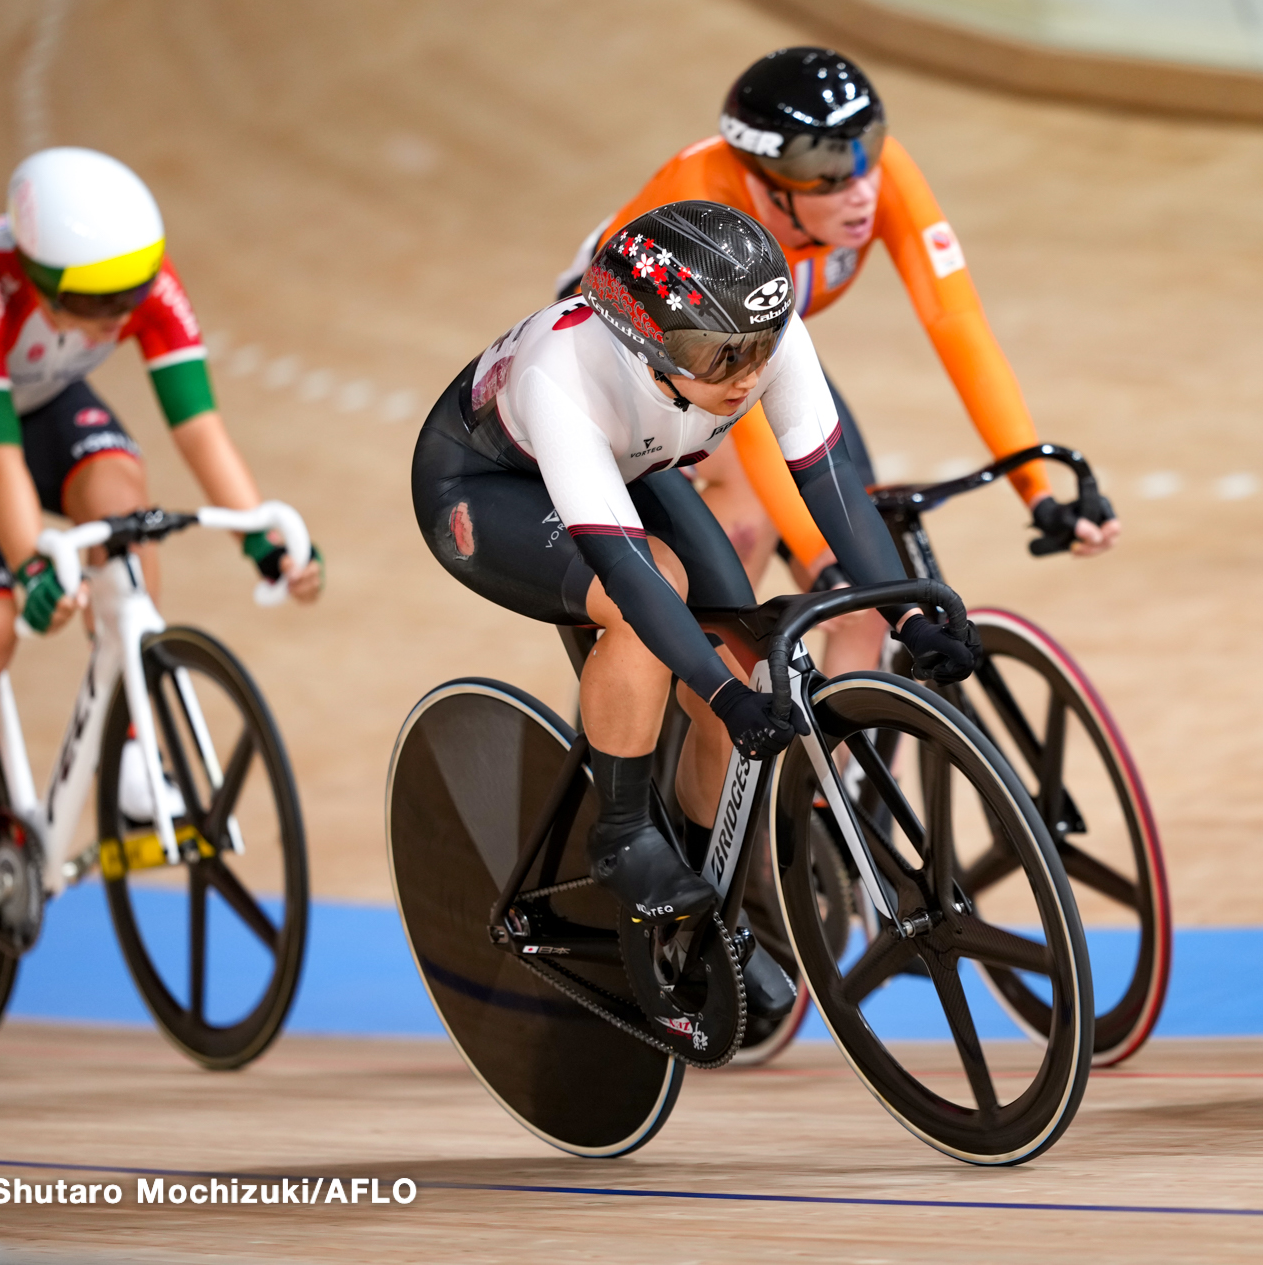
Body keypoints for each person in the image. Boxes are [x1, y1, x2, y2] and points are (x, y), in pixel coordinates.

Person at [413, 200, 979, 1024]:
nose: (746, 374)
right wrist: (719, 693)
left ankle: (704, 898)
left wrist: (907, 620)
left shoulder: (754, 332)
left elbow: (827, 484)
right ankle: (620, 836)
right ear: (647, 347)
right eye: (718, 356)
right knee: (659, 595)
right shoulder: (563, 374)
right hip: (484, 487)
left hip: (629, 464)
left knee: (747, 652)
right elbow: (634, 580)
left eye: (757, 346)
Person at [0, 147, 322, 955]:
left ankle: (137, 749)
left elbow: (197, 424)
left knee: (123, 514)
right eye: (95, 305)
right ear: (35, 275)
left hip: (38, 394)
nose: (117, 319)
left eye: (130, 299)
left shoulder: (140, 278)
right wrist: (33, 560)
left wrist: (258, 531)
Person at [557, 47, 1117, 673]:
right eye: (824, 172)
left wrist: (1035, 490)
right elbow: (745, 418)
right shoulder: (709, 210)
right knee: (746, 539)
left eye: (867, 153)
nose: (861, 190)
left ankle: (841, 774)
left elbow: (957, 326)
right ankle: (682, 723)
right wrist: (818, 556)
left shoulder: (880, 178)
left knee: (863, 598)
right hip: (641, 372)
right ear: (766, 186)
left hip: (751, 354)